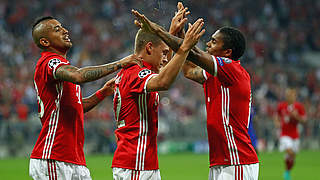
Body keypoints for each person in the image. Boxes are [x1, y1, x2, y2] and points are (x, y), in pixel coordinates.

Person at [132, 2, 259, 179]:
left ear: (227, 52)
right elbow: (189, 70)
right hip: (220, 161)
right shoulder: (215, 75)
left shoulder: (232, 69)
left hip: (237, 160)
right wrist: (180, 34)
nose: (208, 44)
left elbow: (195, 54)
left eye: (214, 42)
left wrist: (159, 32)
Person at [29, 16, 141, 180]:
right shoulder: (49, 62)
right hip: (53, 155)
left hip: (73, 157)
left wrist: (102, 92)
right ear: (45, 42)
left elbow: (76, 107)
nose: (65, 31)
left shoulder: (61, 67)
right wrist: (119, 64)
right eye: (57, 29)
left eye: (62, 27)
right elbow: (78, 75)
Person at [112, 17, 205, 180]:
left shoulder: (136, 71)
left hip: (139, 162)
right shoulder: (136, 72)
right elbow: (163, 81)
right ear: (149, 48)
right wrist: (184, 47)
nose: (165, 57)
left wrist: (170, 33)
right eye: (163, 53)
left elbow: (164, 68)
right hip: (135, 164)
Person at [274, 88, 306, 180]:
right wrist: (277, 122)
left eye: (292, 95)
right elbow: (277, 115)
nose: (290, 97)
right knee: (290, 152)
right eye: (288, 95)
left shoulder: (299, 107)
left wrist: (297, 116)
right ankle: (287, 167)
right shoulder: (281, 106)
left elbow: (304, 120)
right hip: (284, 134)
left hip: (295, 135)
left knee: (292, 157)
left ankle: (287, 171)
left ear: (295, 96)